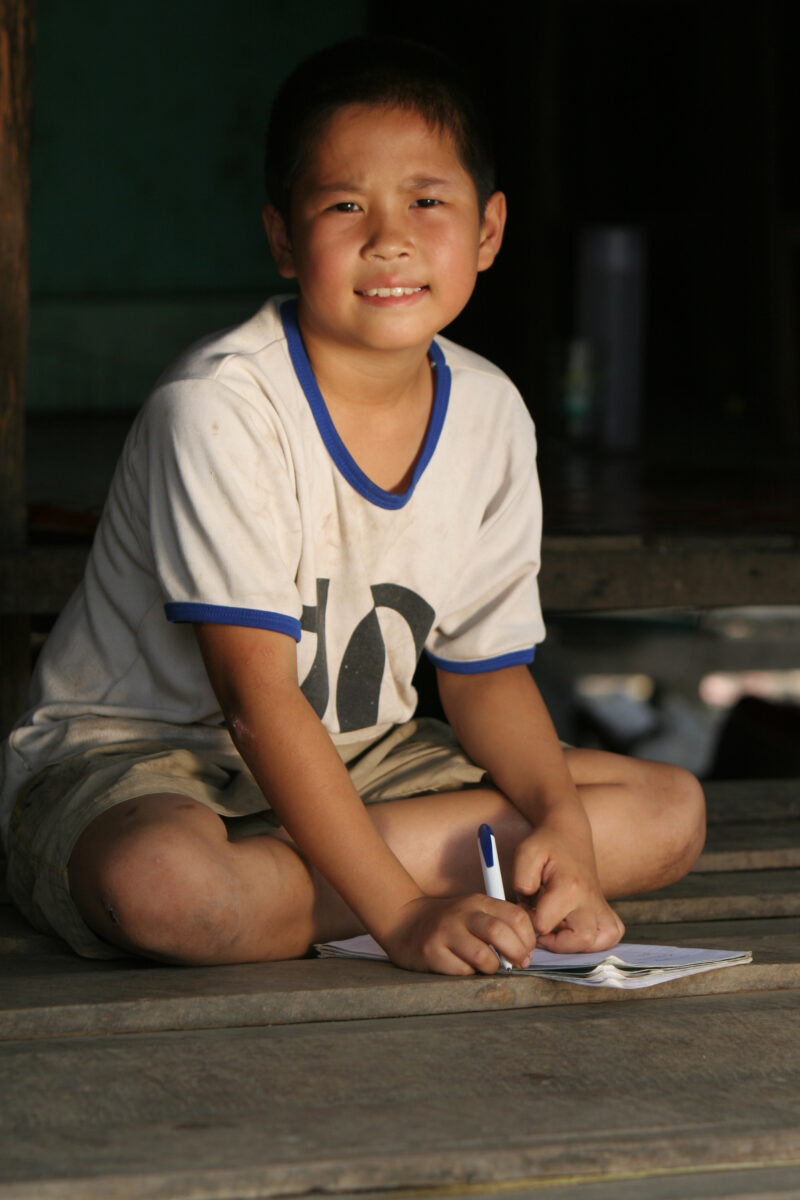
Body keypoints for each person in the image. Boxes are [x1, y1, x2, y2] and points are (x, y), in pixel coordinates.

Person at [1, 37, 705, 975]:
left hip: (362, 756)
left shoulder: (490, 410)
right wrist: (403, 913)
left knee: (668, 812)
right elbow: (256, 704)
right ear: (283, 237)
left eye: (426, 200)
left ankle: (291, 887)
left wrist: (566, 835)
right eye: (344, 205)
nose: (390, 238)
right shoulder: (219, 407)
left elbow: (486, 679)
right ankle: (370, 882)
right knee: (165, 887)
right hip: (144, 766)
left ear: (489, 230)